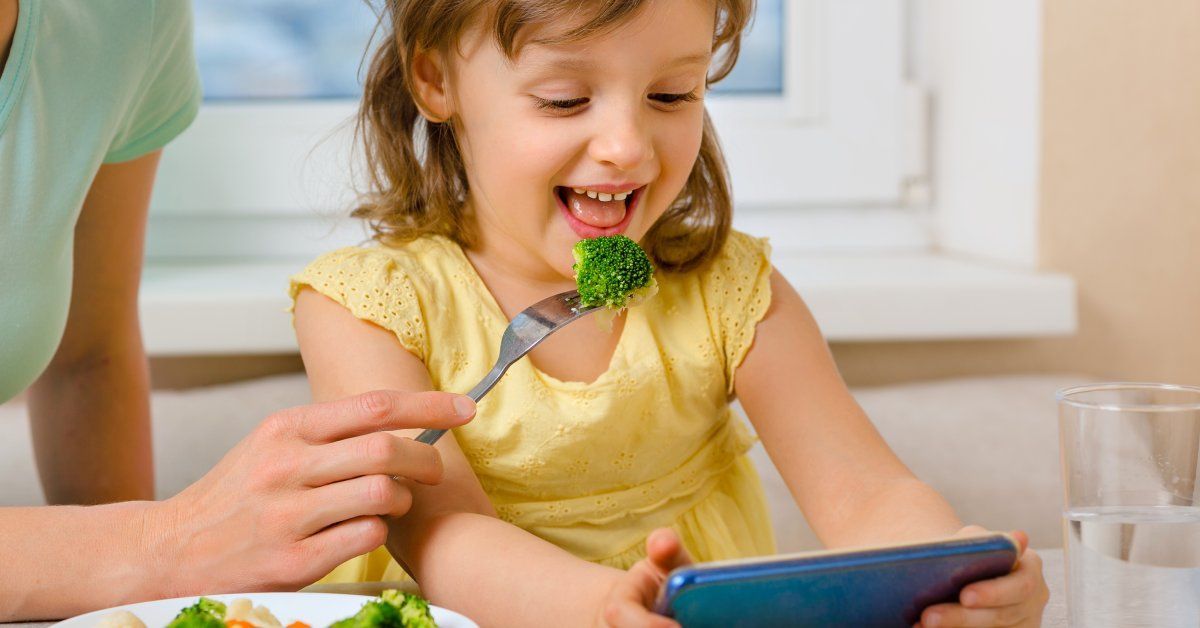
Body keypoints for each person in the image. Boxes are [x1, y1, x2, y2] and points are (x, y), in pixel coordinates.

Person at [289, 0, 1050, 626]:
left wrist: (955, 570)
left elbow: (865, 494)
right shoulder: (368, 308)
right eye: (565, 100)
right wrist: (598, 607)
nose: (626, 146)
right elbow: (443, 533)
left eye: (670, 95)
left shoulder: (730, 290)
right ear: (435, 79)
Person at [0, 1, 474, 620]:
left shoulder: (124, 17)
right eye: (564, 100)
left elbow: (88, 359)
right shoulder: (364, 299)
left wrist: (144, 607)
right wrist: (165, 541)